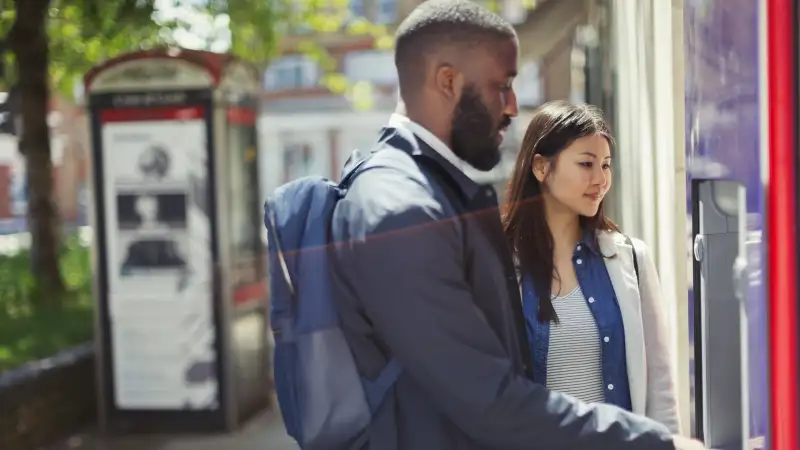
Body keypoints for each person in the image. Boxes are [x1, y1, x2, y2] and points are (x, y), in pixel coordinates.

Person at [330, 1, 704, 449]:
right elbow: (487, 398)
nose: (511, 106)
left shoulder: (421, 194)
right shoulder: (402, 210)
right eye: (501, 86)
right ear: (448, 81)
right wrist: (651, 443)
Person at [502, 101, 681, 434]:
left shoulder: (630, 259)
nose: (600, 179)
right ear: (541, 168)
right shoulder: (498, 268)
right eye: (586, 163)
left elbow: (660, 388)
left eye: (606, 165)